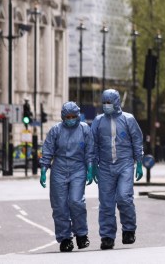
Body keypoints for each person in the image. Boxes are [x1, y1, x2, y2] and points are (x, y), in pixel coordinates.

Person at [91, 89, 144, 250]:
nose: (106, 105)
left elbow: (137, 140)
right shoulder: (98, 121)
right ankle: (107, 236)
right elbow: (93, 144)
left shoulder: (128, 119)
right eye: (104, 102)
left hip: (125, 164)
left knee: (123, 197)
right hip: (105, 167)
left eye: (109, 102)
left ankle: (129, 229)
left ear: (117, 102)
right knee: (106, 203)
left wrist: (139, 162)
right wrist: (93, 165)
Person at [39, 101, 95, 252]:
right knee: (60, 206)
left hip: (78, 168)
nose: (71, 119)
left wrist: (91, 168)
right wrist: (44, 169)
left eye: (73, 116)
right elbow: (48, 150)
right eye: (68, 116)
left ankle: (81, 234)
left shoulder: (85, 130)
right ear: (63, 117)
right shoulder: (55, 130)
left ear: (78, 116)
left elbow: (90, 151)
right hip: (59, 169)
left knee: (76, 201)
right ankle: (65, 238)